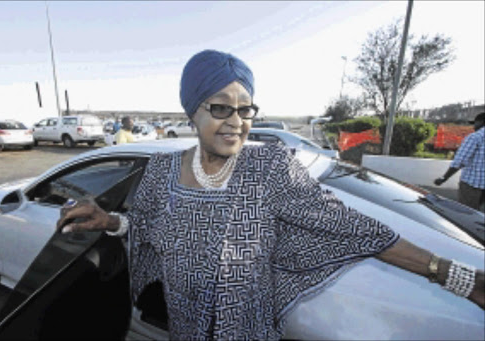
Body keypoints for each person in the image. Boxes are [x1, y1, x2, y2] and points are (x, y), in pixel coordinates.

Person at [57, 50, 484, 340]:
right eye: (220, 107)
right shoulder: (162, 170)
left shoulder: (269, 170)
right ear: (192, 112)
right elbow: (150, 226)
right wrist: (111, 221)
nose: (236, 121)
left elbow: (356, 229)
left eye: (245, 108)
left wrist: (454, 274)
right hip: (182, 327)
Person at [434, 112, 485, 211]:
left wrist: (444, 178)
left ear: (482, 122)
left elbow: (460, 161)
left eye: (475, 123)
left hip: (472, 185)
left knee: (466, 213)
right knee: (478, 214)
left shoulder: (475, 137)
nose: (473, 126)